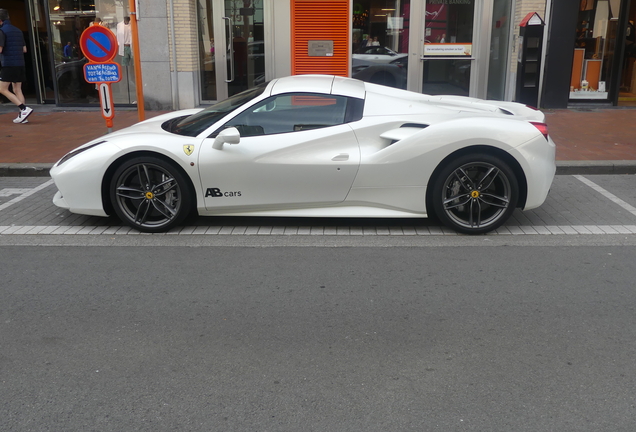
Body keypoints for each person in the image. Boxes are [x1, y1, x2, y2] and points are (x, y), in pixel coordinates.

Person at [0, 9, 33, 124]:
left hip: (9, 64)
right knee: (17, 89)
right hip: (20, 63)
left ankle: (24, 109)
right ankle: (23, 116)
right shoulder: (18, 31)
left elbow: (0, 49)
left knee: (2, 89)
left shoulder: (1, 31)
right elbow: (24, 49)